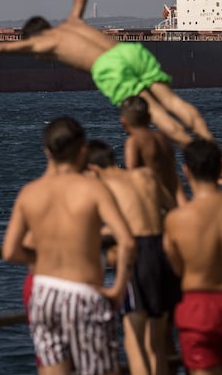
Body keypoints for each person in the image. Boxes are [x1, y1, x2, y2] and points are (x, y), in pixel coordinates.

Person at [0, 0, 214, 149]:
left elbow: (0, 48)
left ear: (35, 36)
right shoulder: (72, 21)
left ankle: (194, 149)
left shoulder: (43, 44)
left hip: (109, 67)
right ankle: (207, 141)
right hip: (126, 50)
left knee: (153, 112)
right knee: (172, 101)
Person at [2, 116, 136, 375]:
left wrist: (45, 259)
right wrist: (118, 289)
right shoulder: (92, 188)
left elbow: (10, 252)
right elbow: (127, 240)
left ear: (47, 151)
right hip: (83, 293)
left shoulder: (29, 192)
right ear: (83, 150)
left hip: (44, 294)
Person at [163, 139, 222, 375]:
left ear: (186, 171)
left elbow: (176, 266)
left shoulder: (176, 219)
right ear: (219, 169)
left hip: (198, 304)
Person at [86, 139, 179, 375]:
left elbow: (111, 226)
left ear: (93, 169)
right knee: (156, 343)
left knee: (134, 340)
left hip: (138, 255)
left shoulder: (103, 186)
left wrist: (106, 233)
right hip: (162, 251)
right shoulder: (146, 175)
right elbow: (173, 209)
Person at [120, 94, 190, 206]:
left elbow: (132, 175)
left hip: (152, 202)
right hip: (171, 200)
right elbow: (173, 177)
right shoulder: (163, 139)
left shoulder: (134, 141)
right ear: (149, 117)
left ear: (123, 121)